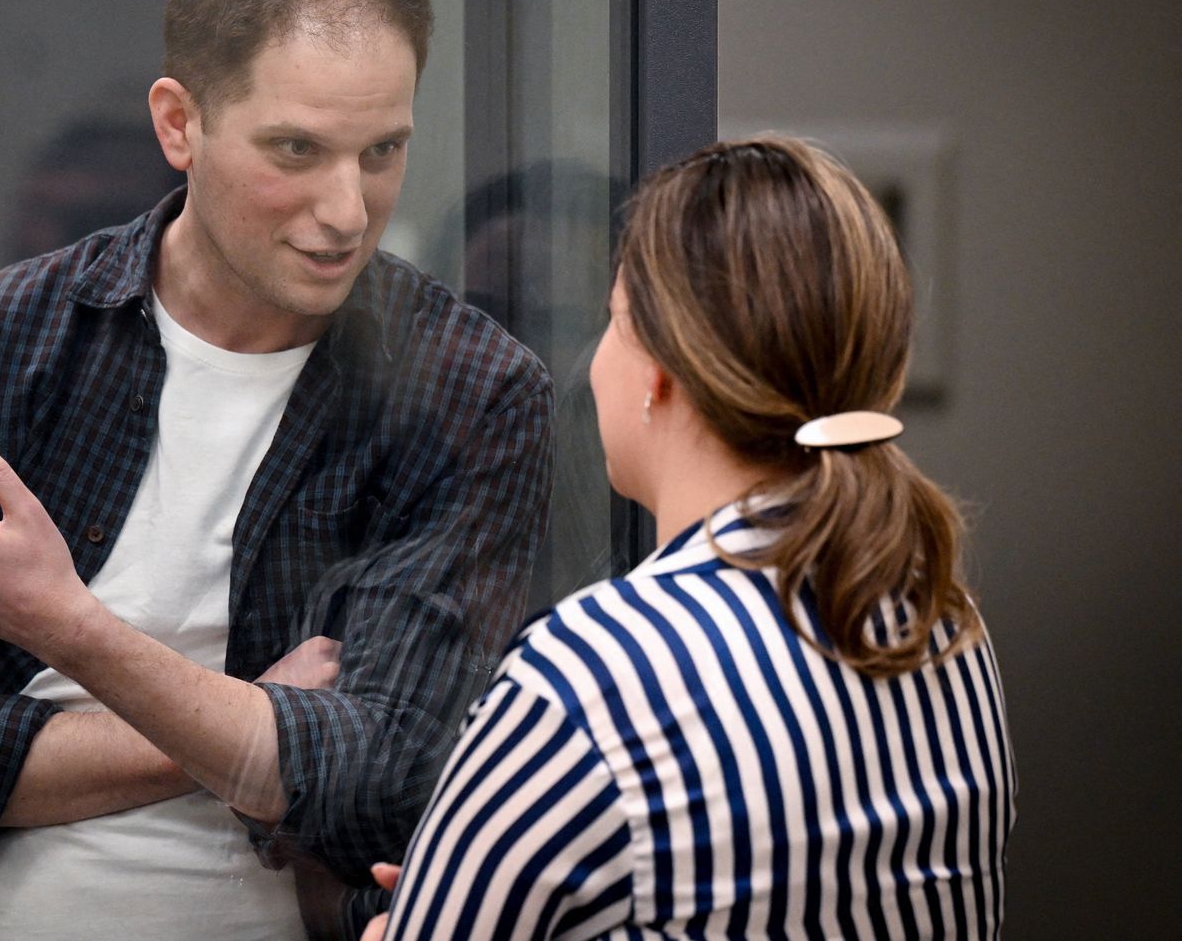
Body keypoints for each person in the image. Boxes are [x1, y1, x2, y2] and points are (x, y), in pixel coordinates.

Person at [0, 0, 553, 941]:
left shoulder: (468, 388)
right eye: (296, 150)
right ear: (179, 124)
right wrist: (244, 711)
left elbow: (386, 781)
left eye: (382, 151)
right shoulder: (11, 334)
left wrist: (62, 627)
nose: (347, 209)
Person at [371, 137, 1015, 940]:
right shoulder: (941, 624)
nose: (587, 364)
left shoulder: (597, 669)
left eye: (608, 322)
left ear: (660, 373)